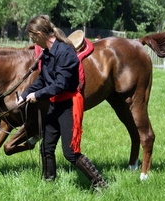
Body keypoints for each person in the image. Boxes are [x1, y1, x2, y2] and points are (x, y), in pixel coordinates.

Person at [16, 15, 107, 191]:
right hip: (55, 104)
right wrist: (25, 94)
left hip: (69, 105)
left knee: (71, 153)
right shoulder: (47, 53)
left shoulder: (65, 52)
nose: (31, 40)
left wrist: (38, 95)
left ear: (40, 33)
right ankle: (48, 184)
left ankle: (100, 185)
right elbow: (42, 78)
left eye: (32, 36)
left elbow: (60, 84)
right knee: (46, 148)